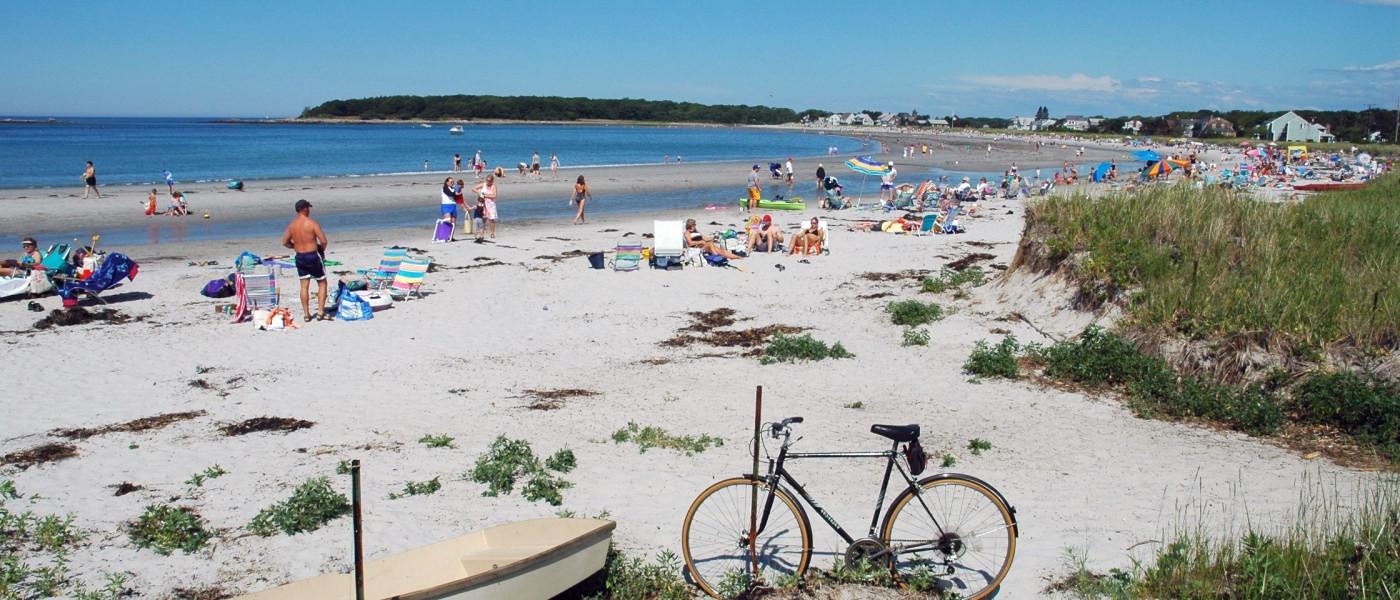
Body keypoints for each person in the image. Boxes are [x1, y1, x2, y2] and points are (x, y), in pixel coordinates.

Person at [279, 200, 329, 322]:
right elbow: (323, 241)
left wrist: (294, 246)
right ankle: (320, 312)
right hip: (313, 255)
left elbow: (285, 242)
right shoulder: (312, 223)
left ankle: (306, 314)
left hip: (300, 256)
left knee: (304, 286)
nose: (309, 210)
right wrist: (321, 249)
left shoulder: (292, 225)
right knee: (322, 282)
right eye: (308, 208)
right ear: (304, 209)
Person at [473, 173, 498, 240]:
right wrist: (479, 192)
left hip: (491, 205)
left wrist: (485, 195)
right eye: (487, 180)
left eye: (489, 181)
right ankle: (481, 234)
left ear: (492, 181)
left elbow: (494, 196)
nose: (488, 182)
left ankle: (492, 233)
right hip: (483, 204)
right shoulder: (483, 184)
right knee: (483, 219)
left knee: (491, 219)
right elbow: (473, 188)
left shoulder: (493, 186)